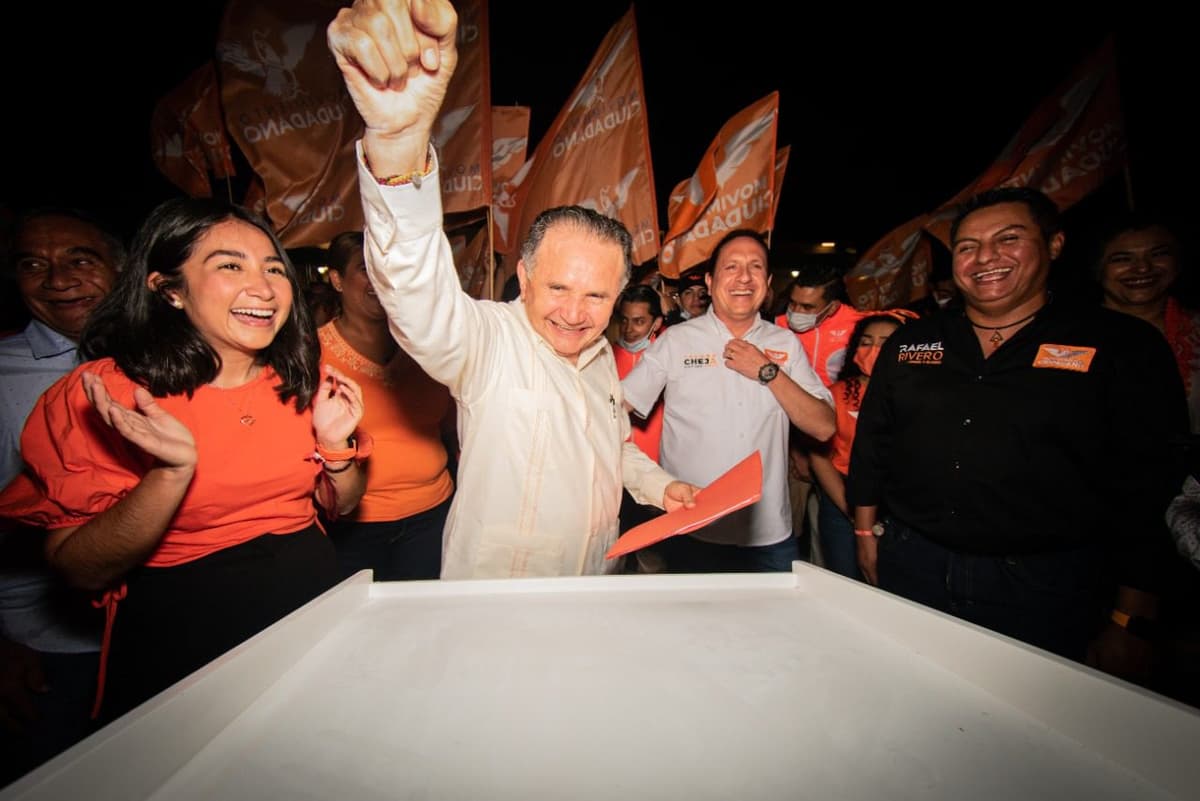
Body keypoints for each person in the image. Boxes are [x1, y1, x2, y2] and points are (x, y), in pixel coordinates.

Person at [327, 2, 696, 580]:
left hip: (596, 581)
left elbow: (614, 450)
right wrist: (397, 149)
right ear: (523, 277)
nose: (575, 313)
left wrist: (662, 485)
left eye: (597, 297)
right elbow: (415, 292)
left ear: (621, 294)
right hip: (500, 598)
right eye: (556, 287)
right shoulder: (488, 341)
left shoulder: (601, 358)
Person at [0, 197, 368, 722]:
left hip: (309, 601)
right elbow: (80, 570)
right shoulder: (106, 393)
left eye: (272, 268)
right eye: (229, 266)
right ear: (168, 289)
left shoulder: (298, 376)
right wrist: (169, 475)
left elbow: (343, 506)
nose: (263, 288)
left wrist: (335, 448)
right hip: (186, 630)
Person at [846, 186, 1187, 678]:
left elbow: (1147, 486)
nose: (986, 257)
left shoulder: (1120, 345)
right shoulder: (913, 341)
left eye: (1008, 239)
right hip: (912, 559)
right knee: (909, 695)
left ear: (1054, 245)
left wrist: (1132, 615)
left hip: (1048, 582)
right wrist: (864, 530)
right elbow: (874, 443)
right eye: (967, 247)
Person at [622, 229, 835, 572]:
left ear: (767, 282)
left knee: (773, 627)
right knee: (691, 625)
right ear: (710, 280)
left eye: (754, 267)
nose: (743, 278)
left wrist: (767, 371)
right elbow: (616, 408)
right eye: (731, 267)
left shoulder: (787, 343)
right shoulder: (676, 341)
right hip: (692, 529)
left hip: (768, 536)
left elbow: (823, 427)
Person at [0, 208, 122, 784]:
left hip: (167, 632)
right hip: (52, 651)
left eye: (80, 259)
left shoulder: (169, 357)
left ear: (120, 267)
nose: (58, 280)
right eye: (33, 265)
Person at [320, 230, 454, 581]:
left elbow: (455, 429)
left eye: (388, 269)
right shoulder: (311, 354)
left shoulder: (426, 348)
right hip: (354, 530)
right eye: (366, 268)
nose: (380, 279)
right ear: (336, 279)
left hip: (433, 516)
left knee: (428, 625)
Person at [809, 312, 909, 581]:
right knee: (844, 582)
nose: (873, 350)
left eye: (885, 343)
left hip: (898, 504)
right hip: (842, 496)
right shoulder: (837, 394)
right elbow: (820, 456)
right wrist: (850, 508)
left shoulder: (917, 393)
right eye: (866, 342)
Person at [1094, 216, 1200, 432]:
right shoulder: (1070, 336)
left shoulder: (1196, 329)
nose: (1142, 268)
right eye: (1122, 259)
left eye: (1158, 254)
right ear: (1098, 269)